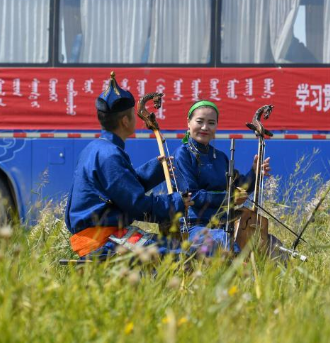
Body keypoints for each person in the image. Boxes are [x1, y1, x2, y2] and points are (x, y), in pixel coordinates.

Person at [65, 72, 192, 258]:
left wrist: (156, 169)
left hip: (105, 235)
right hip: (103, 240)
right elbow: (136, 204)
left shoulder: (96, 148)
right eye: (133, 114)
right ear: (125, 121)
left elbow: (121, 189)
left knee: (171, 246)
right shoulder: (109, 154)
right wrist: (176, 202)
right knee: (178, 253)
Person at [174, 100, 271, 255]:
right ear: (188, 123)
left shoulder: (220, 157)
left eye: (211, 123)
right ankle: (241, 268)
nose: (205, 127)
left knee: (269, 244)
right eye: (200, 121)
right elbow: (192, 196)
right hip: (194, 227)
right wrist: (230, 198)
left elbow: (240, 186)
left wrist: (254, 172)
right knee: (224, 240)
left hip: (225, 224)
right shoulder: (182, 154)